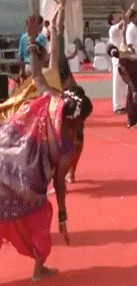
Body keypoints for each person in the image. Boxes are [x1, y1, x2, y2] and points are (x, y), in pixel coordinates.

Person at [0, 15, 92, 282]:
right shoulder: (67, 143)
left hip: (4, 159)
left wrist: (31, 38)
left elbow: (38, 75)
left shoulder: (52, 99)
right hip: (26, 184)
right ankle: (39, 268)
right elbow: (59, 182)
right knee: (41, 218)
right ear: (78, 119)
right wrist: (62, 215)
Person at [108, 11, 127, 114]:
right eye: (116, 17)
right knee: (117, 82)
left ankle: (122, 104)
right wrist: (126, 14)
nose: (118, 18)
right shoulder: (113, 29)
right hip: (117, 58)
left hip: (123, 56)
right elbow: (122, 23)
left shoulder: (120, 29)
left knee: (123, 83)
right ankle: (117, 106)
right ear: (112, 20)